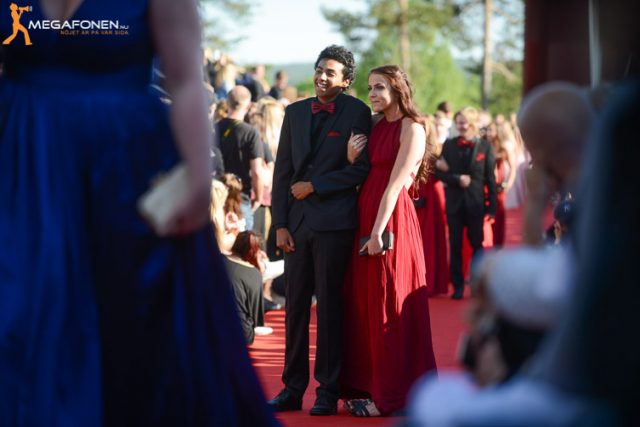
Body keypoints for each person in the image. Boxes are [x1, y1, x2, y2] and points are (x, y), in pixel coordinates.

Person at [0, 1, 276, 426]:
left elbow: (186, 81)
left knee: (137, 320)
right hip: (25, 167)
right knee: (22, 311)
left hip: (126, 169)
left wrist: (198, 181)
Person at [269, 45, 372, 416]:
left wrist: (315, 185)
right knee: (294, 308)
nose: (322, 77)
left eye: (330, 72)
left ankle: (328, 390)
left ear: (345, 81)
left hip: (335, 224)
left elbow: (360, 169)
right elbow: (282, 172)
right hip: (296, 226)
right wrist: (280, 225)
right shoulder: (294, 112)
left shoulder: (358, 112)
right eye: (319, 70)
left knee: (329, 308)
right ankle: (291, 389)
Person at [340, 65, 438, 417]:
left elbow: (396, 186)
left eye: (380, 87)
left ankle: (391, 395)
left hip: (390, 219)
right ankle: (368, 386)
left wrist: (378, 232)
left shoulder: (413, 128)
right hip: (366, 212)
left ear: (397, 89)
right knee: (365, 303)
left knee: (388, 302)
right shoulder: (376, 125)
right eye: (370, 87)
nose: (373, 94)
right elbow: (364, 172)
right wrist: (352, 158)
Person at [436, 107, 497, 299]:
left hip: (476, 204)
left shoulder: (485, 147)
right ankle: (458, 286)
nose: (460, 126)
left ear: (472, 123)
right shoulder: (449, 145)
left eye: (464, 122)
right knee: (455, 245)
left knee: (477, 244)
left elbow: (490, 180)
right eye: (458, 122)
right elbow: (438, 173)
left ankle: (478, 284)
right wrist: (456, 178)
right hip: (454, 204)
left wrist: (492, 207)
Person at [216, 85, 265, 231]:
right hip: (240, 199)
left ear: (227, 103)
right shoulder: (251, 133)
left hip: (216, 197)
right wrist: (259, 197)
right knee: (242, 243)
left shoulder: (213, 128)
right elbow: (257, 171)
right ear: (249, 106)